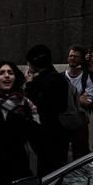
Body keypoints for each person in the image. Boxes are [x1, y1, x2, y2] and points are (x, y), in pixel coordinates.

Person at [24, 44, 71, 177]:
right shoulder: (57, 78)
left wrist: (29, 84)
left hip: (48, 133)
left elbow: (37, 104)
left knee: (48, 171)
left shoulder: (46, 80)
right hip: (56, 133)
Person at [65, 45, 93, 160]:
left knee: (81, 155)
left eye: (76, 56)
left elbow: (88, 102)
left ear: (82, 59)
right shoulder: (61, 77)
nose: (72, 58)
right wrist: (79, 97)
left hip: (80, 124)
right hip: (64, 123)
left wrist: (69, 96)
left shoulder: (86, 78)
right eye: (70, 56)